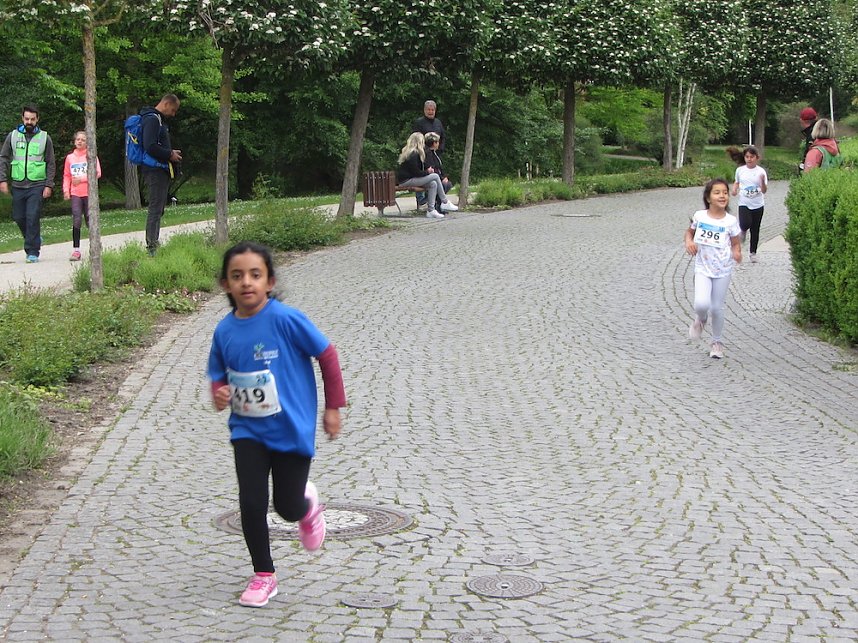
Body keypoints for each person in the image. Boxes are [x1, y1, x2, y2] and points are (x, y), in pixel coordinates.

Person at [207, 241, 346, 609]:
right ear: (225, 284)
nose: (246, 282)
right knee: (251, 502)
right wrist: (219, 393)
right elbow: (217, 373)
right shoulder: (224, 331)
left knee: (286, 508)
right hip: (247, 430)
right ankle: (264, 574)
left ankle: (307, 506)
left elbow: (327, 354)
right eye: (237, 276)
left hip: (290, 429)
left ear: (269, 282)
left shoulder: (286, 319)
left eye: (255, 274)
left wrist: (333, 407)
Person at [685, 178, 742, 359]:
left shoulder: (731, 221)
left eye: (725, 192)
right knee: (701, 304)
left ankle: (716, 342)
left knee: (717, 308)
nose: (722, 196)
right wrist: (689, 242)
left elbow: (735, 243)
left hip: (723, 269)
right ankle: (701, 319)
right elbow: (690, 233)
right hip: (703, 267)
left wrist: (737, 253)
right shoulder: (700, 216)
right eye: (717, 192)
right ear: (708, 198)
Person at [0, 105, 56, 263]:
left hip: (37, 184)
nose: (29, 122)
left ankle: (32, 251)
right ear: (22, 118)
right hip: (18, 184)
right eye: (26, 119)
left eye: (32, 119)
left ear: (37, 119)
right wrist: (2, 179)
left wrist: (49, 185)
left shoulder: (45, 138)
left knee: (32, 216)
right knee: (18, 217)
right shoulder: (13, 136)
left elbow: (51, 162)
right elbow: (3, 157)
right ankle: (35, 238)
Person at [139, 94, 182, 255]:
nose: (173, 114)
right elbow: (149, 146)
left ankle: (154, 242)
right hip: (154, 170)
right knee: (155, 208)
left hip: (160, 169)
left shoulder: (157, 119)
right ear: (166, 104)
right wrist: (169, 154)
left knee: (159, 208)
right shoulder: (152, 119)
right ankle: (152, 247)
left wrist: (170, 152)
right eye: (173, 110)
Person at [396, 132, 458, 219]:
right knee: (435, 176)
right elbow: (416, 173)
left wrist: (427, 171)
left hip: (411, 179)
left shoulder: (413, 153)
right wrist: (428, 172)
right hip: (406, 181)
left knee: (433, 184)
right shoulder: (413, 155)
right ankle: (444, 202)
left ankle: (431, 210)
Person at [62, 131, 102, 261]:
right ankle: (76, 250)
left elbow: (98, 173)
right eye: (78, 139)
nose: (80, 141)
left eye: (83, 140)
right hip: (76, 193)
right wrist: (66, 190)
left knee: (90, 220)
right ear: (74, 141)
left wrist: (82, 179)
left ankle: (95, 247)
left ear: (87, 142)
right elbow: (67, 175)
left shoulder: (91, 156)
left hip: (89, 193)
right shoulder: (70, 158)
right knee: (77, 219)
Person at [731, 145, 767, 264]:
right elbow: (737, 182)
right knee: (745, 223)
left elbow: (764, 190)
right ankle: (743, 230)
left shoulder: (761, 172)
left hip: (758, 204)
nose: (749, 159)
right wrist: (734, 189)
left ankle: (753, 252)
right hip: (744, 202)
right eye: (747, 157)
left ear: (757, 158)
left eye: (752, 157)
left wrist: (762, 182)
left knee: (755, 229)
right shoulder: (740, 170)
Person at [423, 132, 453, 211]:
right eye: (437, 142)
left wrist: (445, 176)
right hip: (431, 177)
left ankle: (439, 204)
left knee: (448, 184)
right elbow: (432, 169)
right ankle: (439, 204)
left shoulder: (435, 154)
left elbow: (440, 167)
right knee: (443, 185)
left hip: (438, 176)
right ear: (434, 143)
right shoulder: (428, 154)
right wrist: (441, 178)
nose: (439, 144)